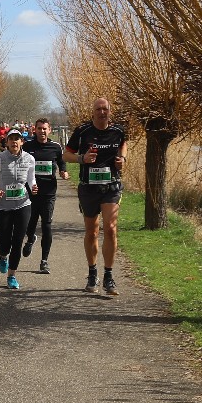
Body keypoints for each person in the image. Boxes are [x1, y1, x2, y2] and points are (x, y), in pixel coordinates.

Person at [64, 98, 129, 296]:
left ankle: (109, 276)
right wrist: (82, 159)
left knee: (110, 228)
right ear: (92, 112)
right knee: (92, 232)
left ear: (110, 111)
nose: (102, 112)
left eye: (105, 109)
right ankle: (92, 273)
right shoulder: (82, 132)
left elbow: (123, 144)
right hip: (89, 188)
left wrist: (122, 159)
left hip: (111, 187)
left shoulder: (118, 131)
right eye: (98, 109)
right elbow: (66, 155)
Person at [0, 128, 40, 290]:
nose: (14, 142)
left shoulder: (29, 159)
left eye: (17, 139)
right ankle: (3, 256)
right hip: (3, 206)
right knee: (4, 242)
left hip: (23, 205)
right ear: (7, 142)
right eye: (11, 139)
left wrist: (33, 186)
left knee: (17, 242)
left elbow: (31, 178)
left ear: (22, 142)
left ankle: (12, 276)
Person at [20, 118, 69, 273]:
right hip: (31, 192)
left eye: (44, 128)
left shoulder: (55, 147)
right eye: (39, 128)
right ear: (34, 130)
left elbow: (62, 161)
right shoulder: (27, 146)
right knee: (29, 223)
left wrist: (63, 171)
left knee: (46, 225)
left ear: (49, 130)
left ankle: (44, 261)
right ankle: (30, 238)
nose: (42, 131)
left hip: (48, 192)